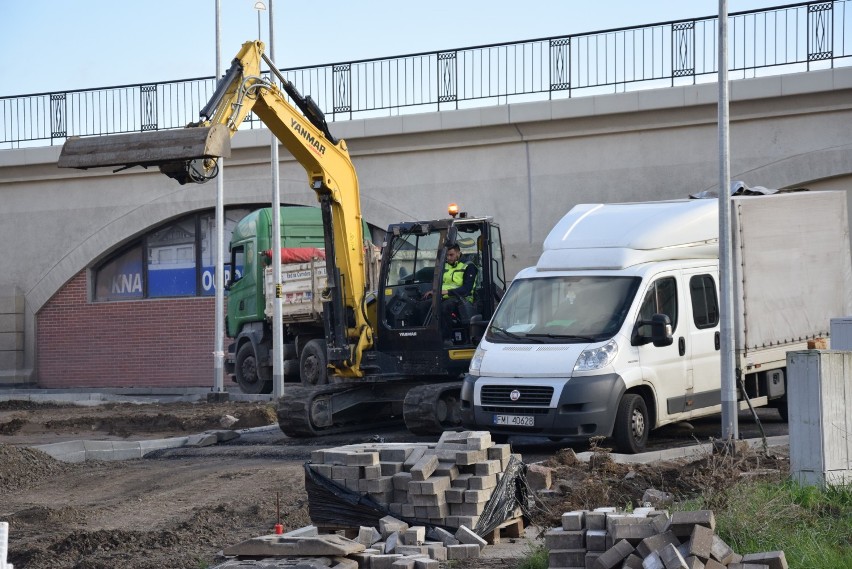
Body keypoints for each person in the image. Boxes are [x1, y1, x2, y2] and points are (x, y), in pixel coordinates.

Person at [424, 242, 478, 341]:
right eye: (447, 255)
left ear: (458, 253)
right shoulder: (444, 266)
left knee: (445, 307)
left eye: (451, 255)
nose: (448, 258)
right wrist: (433, 291)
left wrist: (445, 292)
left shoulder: (469, 266)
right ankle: (426, 337)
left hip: (462, 299)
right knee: (423, 305)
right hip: (443, 296)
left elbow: (466, 289)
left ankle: (446, 339)